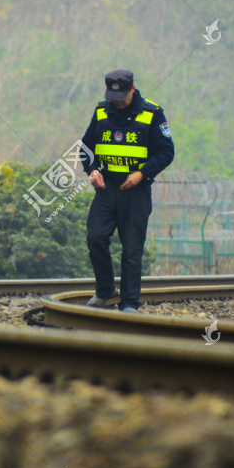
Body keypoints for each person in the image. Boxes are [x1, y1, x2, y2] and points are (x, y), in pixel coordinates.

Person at [79, 69, 174, 313]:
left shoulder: (152, 113)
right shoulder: (101, 110)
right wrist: (92, 171)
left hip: (136, 192)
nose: (116, 102)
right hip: (107, 187)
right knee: (96, 237)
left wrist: (142, 174)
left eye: (121, 96)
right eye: (112, 96)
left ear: (133, 89)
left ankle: (129, 303)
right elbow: (86, 147)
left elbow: (166, 151)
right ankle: (105, 290)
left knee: (132, 249)